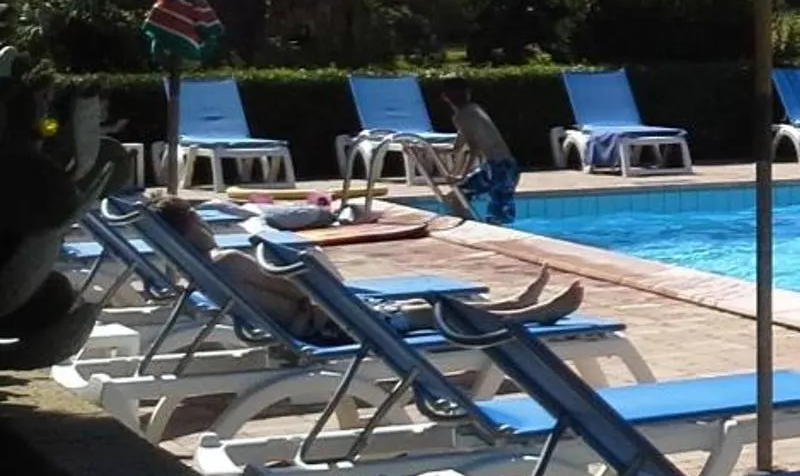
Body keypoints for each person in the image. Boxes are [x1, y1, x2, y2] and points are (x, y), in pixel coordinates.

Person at [150, 198, 578, 344]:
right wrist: (318, 268)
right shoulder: (226, 260)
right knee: (434, 313)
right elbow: (300, 289)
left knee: (425, 305)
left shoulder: (204, 271)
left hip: (324, 323)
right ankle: (529, 316)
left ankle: (515, 304)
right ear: (193, 224)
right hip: (334, 325)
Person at [441, 81, 520, 226]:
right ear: (469, 94)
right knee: (460, 194)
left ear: (445, 97)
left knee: (497, 213)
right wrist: (455, 152)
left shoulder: (460, 117)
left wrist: (461, 175)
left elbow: (473, 148)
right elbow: (463, 140)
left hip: (501, 168)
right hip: (499, 166)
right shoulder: (475, 109)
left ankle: (495, 236)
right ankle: (468, 226)